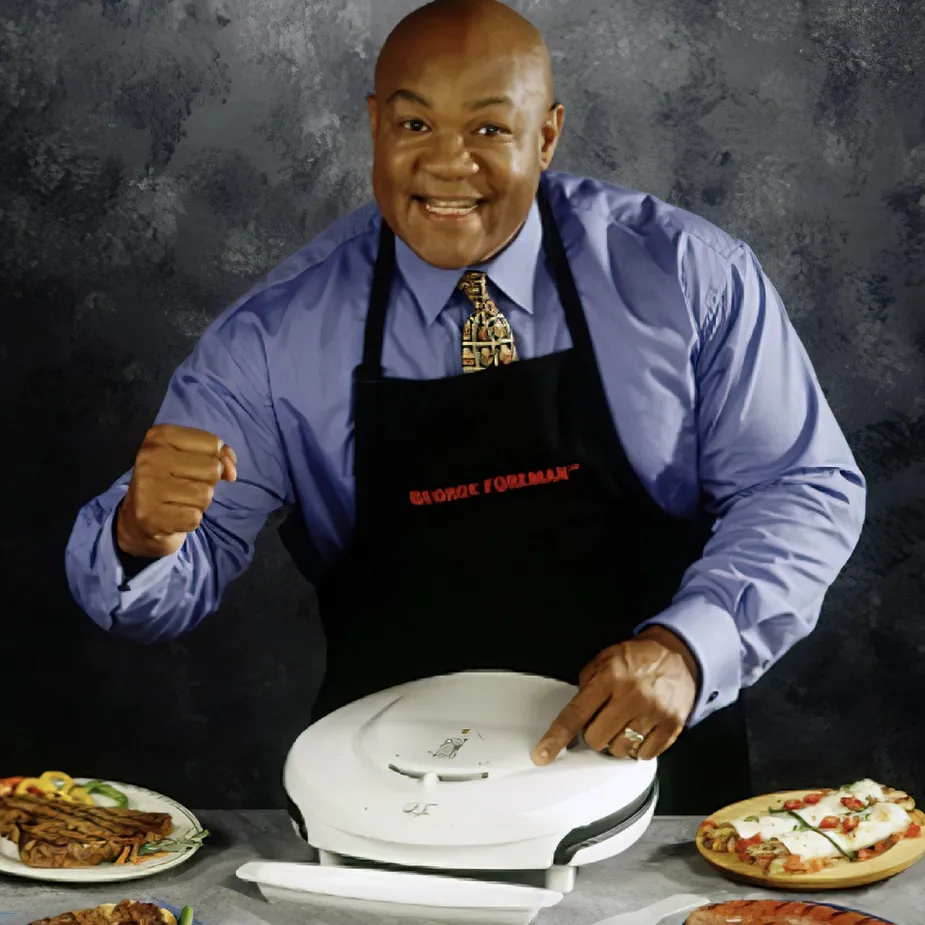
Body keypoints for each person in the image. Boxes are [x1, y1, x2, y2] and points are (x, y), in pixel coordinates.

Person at [65, 0, 865, 814]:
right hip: (389, 809)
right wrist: (140, 538)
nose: (448, 164)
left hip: (656, 786)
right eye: (414, 125)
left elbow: (798, 486)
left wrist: (689, 648)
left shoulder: (686, 274)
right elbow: (165, 586)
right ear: (374, 125)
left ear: (545, 136)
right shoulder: (273, 338)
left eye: (488, 129)